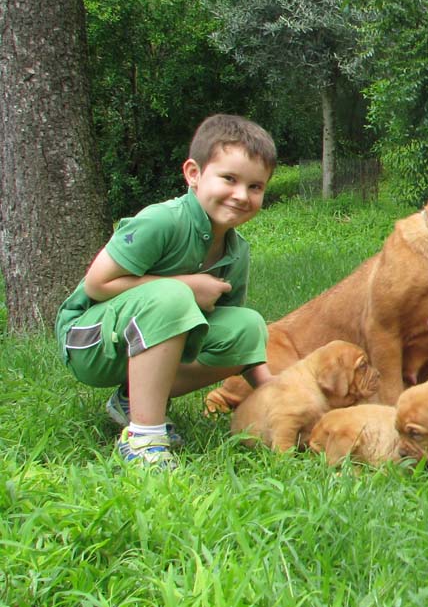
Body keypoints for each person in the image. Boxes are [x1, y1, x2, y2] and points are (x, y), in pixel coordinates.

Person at [55, 114, 278, 469]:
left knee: (247, 325)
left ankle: (132, 399)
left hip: (144, 339)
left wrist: (276, 392)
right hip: (89, 340)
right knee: (173, 297)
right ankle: (143, 438)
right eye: (229, 179)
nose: (241, 195)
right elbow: (98, 284)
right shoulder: (162, 221)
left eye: (255, 187)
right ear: (193, 174)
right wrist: (186, 285)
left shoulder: (238, 252)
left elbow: (229, 334)